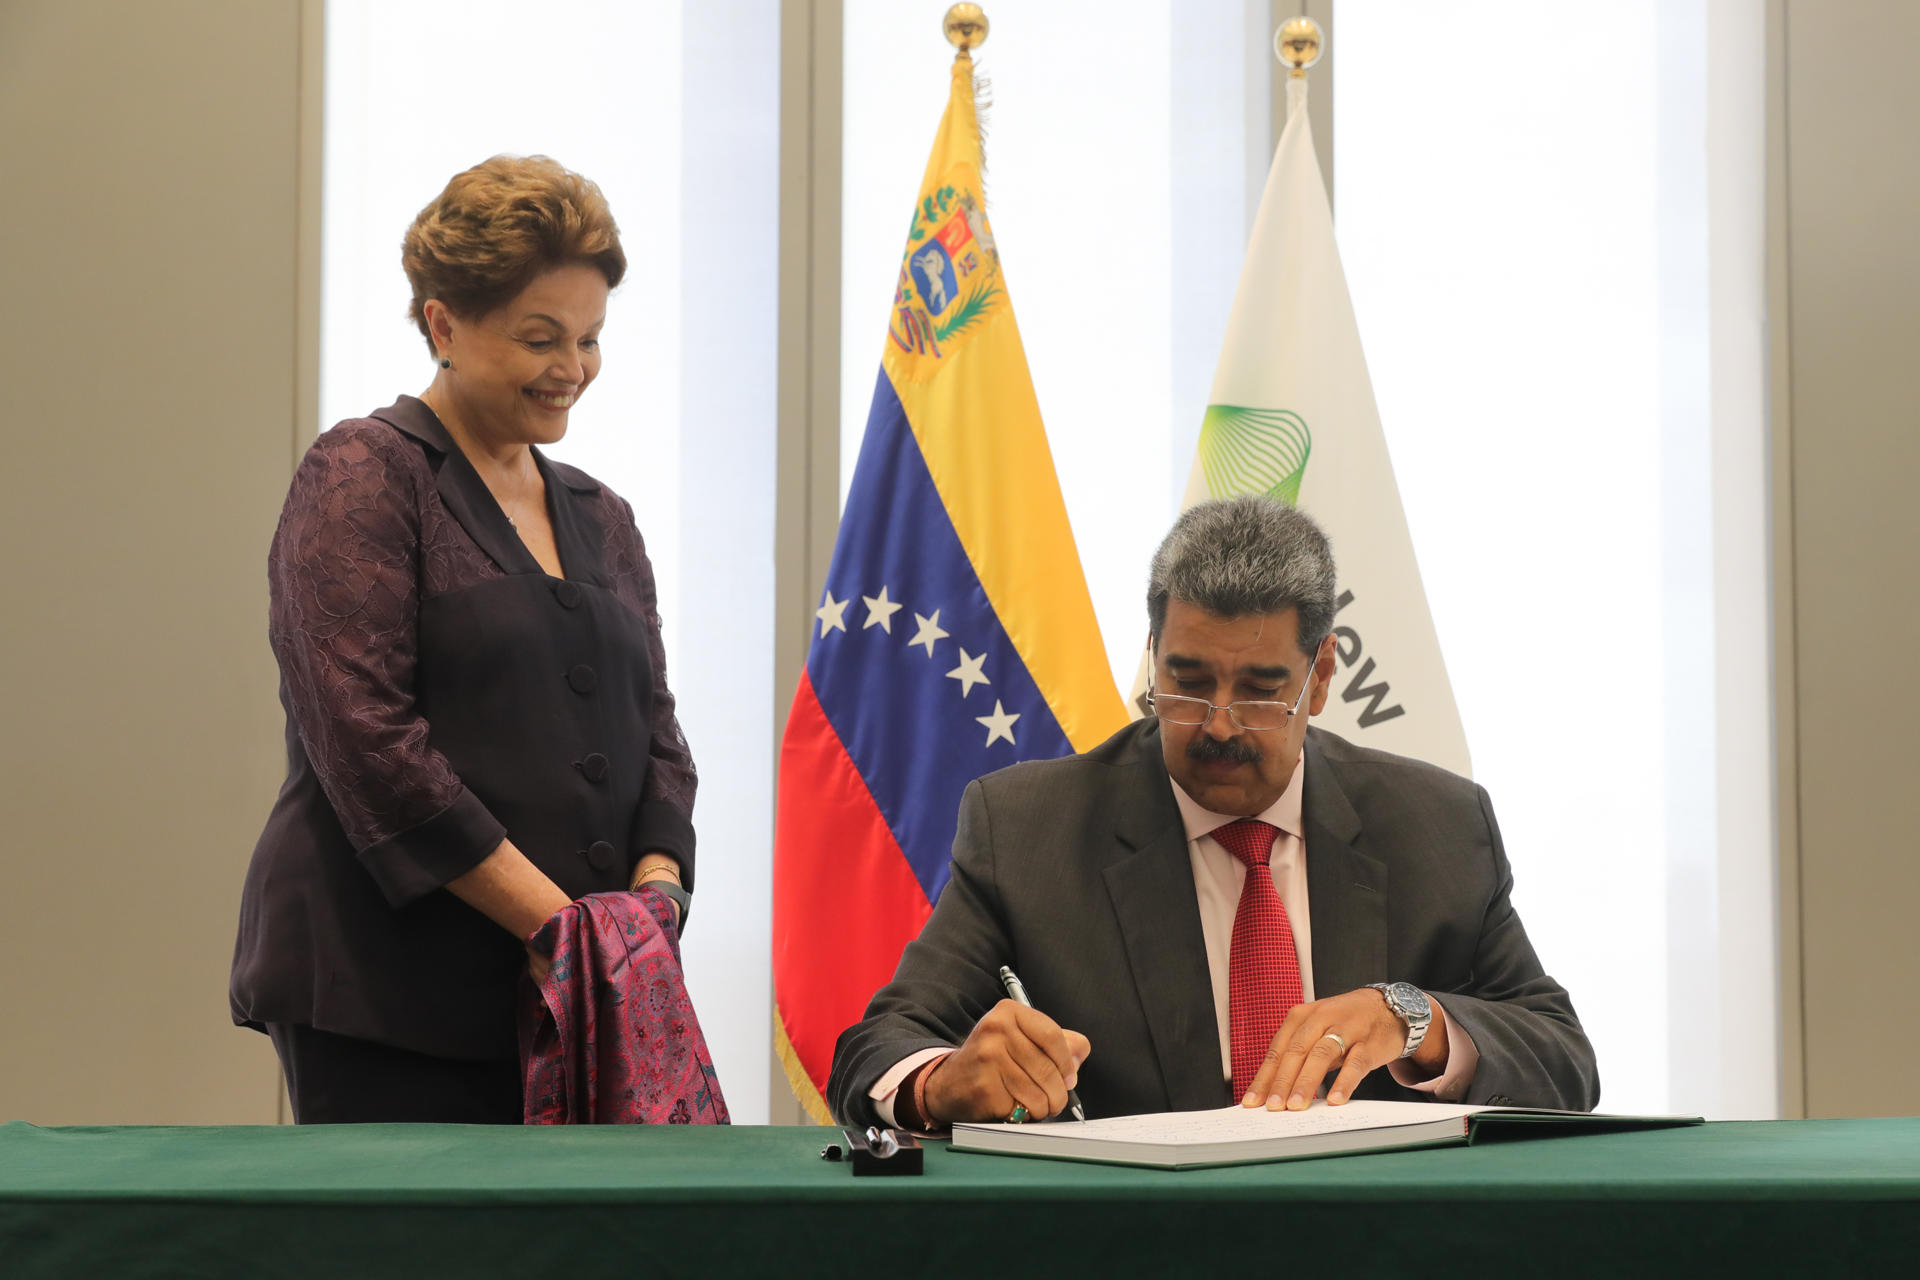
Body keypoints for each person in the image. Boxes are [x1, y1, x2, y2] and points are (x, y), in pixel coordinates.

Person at [828, 496, 1598, 1130]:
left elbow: (1565, 1062)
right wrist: (941, 1083)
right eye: (1188, 680)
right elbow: (877, 1047)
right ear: (1154, 652)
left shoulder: (1437, 824)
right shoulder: (1030, 828)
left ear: (1320, 676)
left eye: (1261, 689)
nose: (1219, 725)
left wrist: (1420, 1022)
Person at [231, 155, 699, 1124]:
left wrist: (652, 907)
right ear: (444, 323)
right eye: (541, 337)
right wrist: (563, 928)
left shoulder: (604, 515)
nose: (573, 367)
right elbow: (368, 739)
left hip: (586, 987)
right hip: (389, 995)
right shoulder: (364, 471)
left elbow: (658, 733)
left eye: (591, 338)